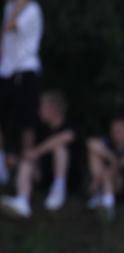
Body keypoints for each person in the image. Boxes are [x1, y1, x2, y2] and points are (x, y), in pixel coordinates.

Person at [1, 90, 77, 218]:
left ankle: (59, 189)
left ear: (53, 109)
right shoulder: (40, 128)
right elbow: (31, 154)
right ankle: (22, 201)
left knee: (59, 149)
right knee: (26, 161)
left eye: (42, 106)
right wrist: (18, 160)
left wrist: (36, 152)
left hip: (69, 178)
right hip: (42, 175)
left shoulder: (69, 125)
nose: (38, 110)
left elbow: (66, 137)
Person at [0, 0, 43, 185]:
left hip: (26, 70)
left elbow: (10, 26)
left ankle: (27, 173)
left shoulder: (32, 9)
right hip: (6, 70)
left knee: (27, 124)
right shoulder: (9, 7)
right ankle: (2, 167)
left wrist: (18, 7)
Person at [86, 116, 124, 218]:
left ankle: (107, 205)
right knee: (94, 155)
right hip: (102, 179)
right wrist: (111, 157)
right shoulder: (108, 143)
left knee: (108, 171)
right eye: (113, 130)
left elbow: (122, 165)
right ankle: (101, 195)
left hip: (120, 185)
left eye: (119, 131)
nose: (115, 134)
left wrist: (113, 161)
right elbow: (91, 143)